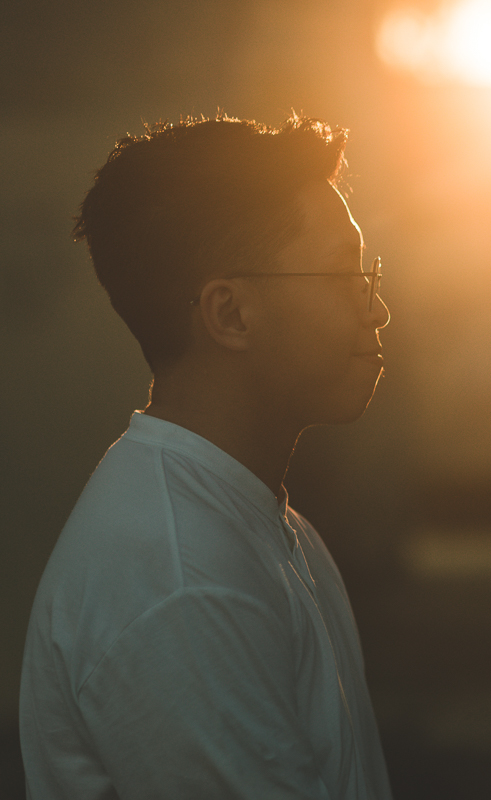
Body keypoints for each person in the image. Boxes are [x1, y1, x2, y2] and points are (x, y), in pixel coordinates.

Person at [20, 114, 394, 799]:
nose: (377, 311)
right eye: (345, 272)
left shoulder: (265, 526)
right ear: (230, 315)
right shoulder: (181, 581)